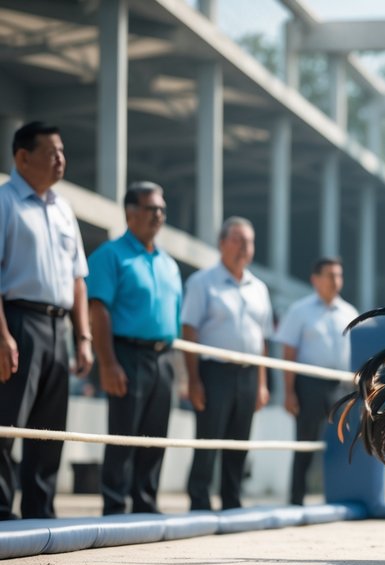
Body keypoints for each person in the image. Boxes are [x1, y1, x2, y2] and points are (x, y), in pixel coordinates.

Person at [0, 121, 93, 520]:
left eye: (62, 151)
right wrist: (2, 336)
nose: (60, 159)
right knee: (7, 427)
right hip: (18, 322)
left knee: (50, 431)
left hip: (60, 329)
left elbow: (78, 279)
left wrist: (83, 337)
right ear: (23, 157)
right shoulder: (4, 203)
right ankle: (2, 513)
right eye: (51, 152)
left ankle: (41, 514)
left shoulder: (63, 209)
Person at [86, 181, 182, 516]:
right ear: (130, 213)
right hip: (126, 354)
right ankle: (115, 506)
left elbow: (174, 322)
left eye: (162, 209)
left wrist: (178, 372)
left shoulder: (169, 264)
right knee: (124, 435)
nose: (158, 215)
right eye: (150, 208)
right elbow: (98, 311)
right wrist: (108, 364)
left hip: (164, 358)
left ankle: (146, 504)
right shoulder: (110, 256)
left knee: (156, 437)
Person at [181, 217, 273, 512]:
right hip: (213, 372)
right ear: (221, 243)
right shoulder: (202, 282)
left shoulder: (259, 288)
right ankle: (199, 500)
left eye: (249, 241)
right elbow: (189, 331)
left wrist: (261, 383)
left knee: (239, 441)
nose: (244, 246)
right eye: (237, 239)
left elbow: (262, 340)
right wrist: (192, 380)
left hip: (248, 374)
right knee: (208, 439)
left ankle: (232, 500)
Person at [273, 257, 358, 506]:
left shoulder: (350, 313)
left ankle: (338, 498)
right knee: (305, 442)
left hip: (342, 385)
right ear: (315, 279)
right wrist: (288, 392)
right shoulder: (300, 310)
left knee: (342, 443)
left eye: (339, 275)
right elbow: (288, 353)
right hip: (309, 383)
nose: (335, 281)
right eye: (330, 275)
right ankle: (296, 500)